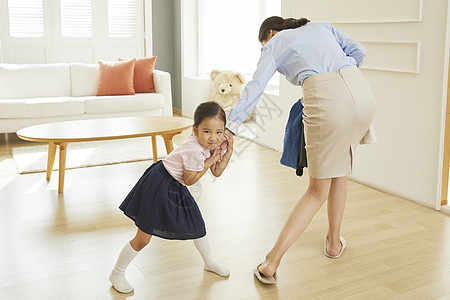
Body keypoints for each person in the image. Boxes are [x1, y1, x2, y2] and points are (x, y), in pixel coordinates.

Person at [225, 16, 376, 284]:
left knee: (317, 190)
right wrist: (344, 71)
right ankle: (333, 243)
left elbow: (255, 87)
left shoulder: (275, 42)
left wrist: (231, 127)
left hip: (327, 100)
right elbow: (359, 51)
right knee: (339, 167)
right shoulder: (320, 26)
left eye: (264, 41)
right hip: (362, 93)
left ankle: (270, 263)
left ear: (271, 32)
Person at [110, 101, 233, 293]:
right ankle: (117, 273)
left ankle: (209, 262)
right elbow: (190, 179)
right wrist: (210, 161)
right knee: (143, 238)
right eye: (207, 131)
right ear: (195, 130)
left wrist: (227, 152)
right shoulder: (195, 150)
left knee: (197, 224)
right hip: (160, 184)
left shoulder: (207, 145)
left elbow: (217, 172)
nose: (213, 138)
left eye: (219, 132)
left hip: (174, 183)